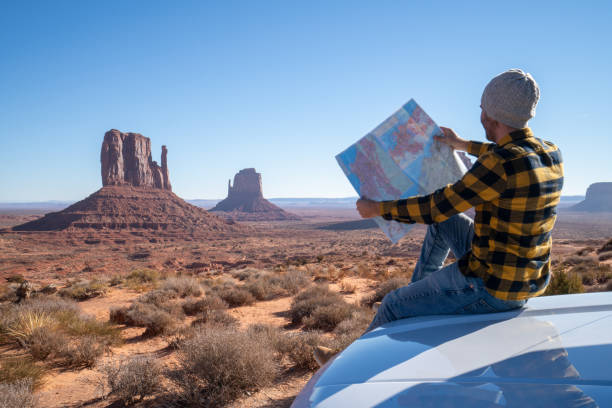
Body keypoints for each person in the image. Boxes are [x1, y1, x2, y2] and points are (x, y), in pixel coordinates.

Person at [314, 68, 564, 366]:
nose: (480, 114)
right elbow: (505, 153)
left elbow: (437, 206)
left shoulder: (499, 164)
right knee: (444, 225)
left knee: (393, 305)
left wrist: (377, 209)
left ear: (490, 116)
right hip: (528, 275)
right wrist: (463, 145)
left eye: (482, 109)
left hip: (493, 286)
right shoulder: (549, 152)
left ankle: (344, 364)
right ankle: (420, 304)